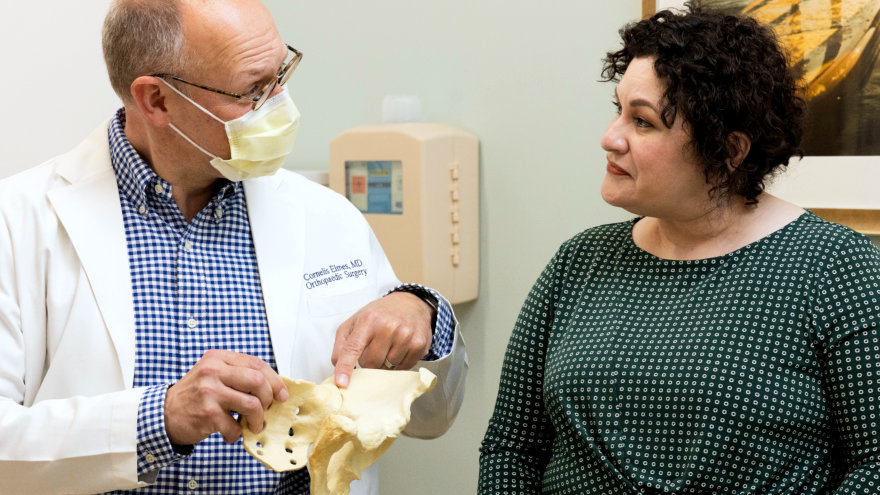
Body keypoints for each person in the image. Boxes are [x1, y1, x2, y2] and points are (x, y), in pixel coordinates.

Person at [0, 0, 467, 494]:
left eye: (281, 73)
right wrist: (157, 420)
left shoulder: (327, 216)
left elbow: (430, 416)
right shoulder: (18, 222)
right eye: (252, 91)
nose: (282, 103)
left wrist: (419, 314)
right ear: (156, 100)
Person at [479, 4, 880, 494]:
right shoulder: (578, 263)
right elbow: (511, 446)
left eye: (642, 122)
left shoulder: (838, 270)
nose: (610, 138)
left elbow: (874, 467)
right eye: (617, 110)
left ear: (729, 151)